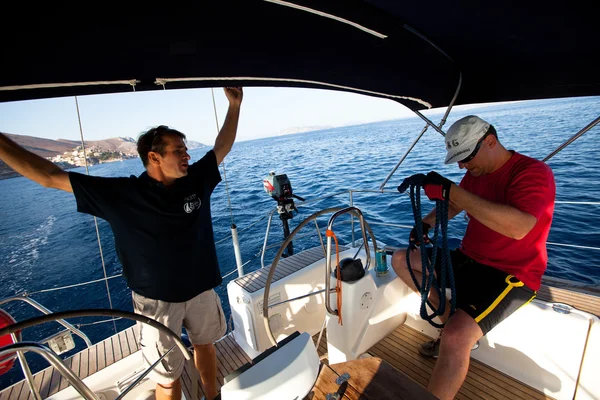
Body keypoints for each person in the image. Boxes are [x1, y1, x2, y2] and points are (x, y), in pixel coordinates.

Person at [0, 87, 244, 400]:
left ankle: (212, 396)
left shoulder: (196, 179)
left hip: (201, 290)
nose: (187, 155)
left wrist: (234, 105)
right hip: (157, 304)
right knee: (166, 375)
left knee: (205, 346)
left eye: (186, 149)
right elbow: (49, 176)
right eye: (178, 150)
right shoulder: (122, 196)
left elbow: (221, 146)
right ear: (154, 157)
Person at [391, 115, 555, 400]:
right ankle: (446, 316)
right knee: (401, 260)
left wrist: (450, 189)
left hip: (511, 273)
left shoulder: (532, 172)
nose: (461, 166)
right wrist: (427, 224)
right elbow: (455, 202)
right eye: (458, 160)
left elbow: (519, 227)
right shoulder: (475, 174)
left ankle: (450, 332)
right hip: (468, 258)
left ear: (490, 142)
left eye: (466, 157)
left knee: (457, 337)